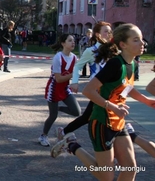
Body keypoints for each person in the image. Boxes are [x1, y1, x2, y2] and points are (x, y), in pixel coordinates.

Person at [51, 23, 155, 181]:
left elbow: (126, 87)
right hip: (101, 122)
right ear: (123, 44)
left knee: (130, 169)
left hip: (118, 122)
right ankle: (71, 144)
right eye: (136, 40)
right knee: (105, 175)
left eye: (141, 39)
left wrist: (147, 101)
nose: (142, 43)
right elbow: (88, 90)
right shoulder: (115, 64)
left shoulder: (132, 63)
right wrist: (112, 106)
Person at [57, 21, 112, 140]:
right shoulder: (90, 51)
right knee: (94, 116)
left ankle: (65, 131)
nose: (109, 34)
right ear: (98, 34)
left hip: (110, 90)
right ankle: (65, 133)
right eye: (106, 31)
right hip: (97, 91)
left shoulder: (113, 50)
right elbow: (78, 66)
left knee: (90, 116)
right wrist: (75, 82)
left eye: (110, 31)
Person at [38, 33, 81, 147]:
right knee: (53, 116)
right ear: (63, 43)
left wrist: (75, 83)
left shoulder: (74, 57)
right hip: (54, 88)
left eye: (74, 41)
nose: (73, 42)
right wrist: (73, 75)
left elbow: (74, 75)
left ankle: (57, 108)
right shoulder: (58, 57)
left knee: (77, 111)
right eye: (70, 40)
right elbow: (58, 79)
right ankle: (43, 136)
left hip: (65, 87)